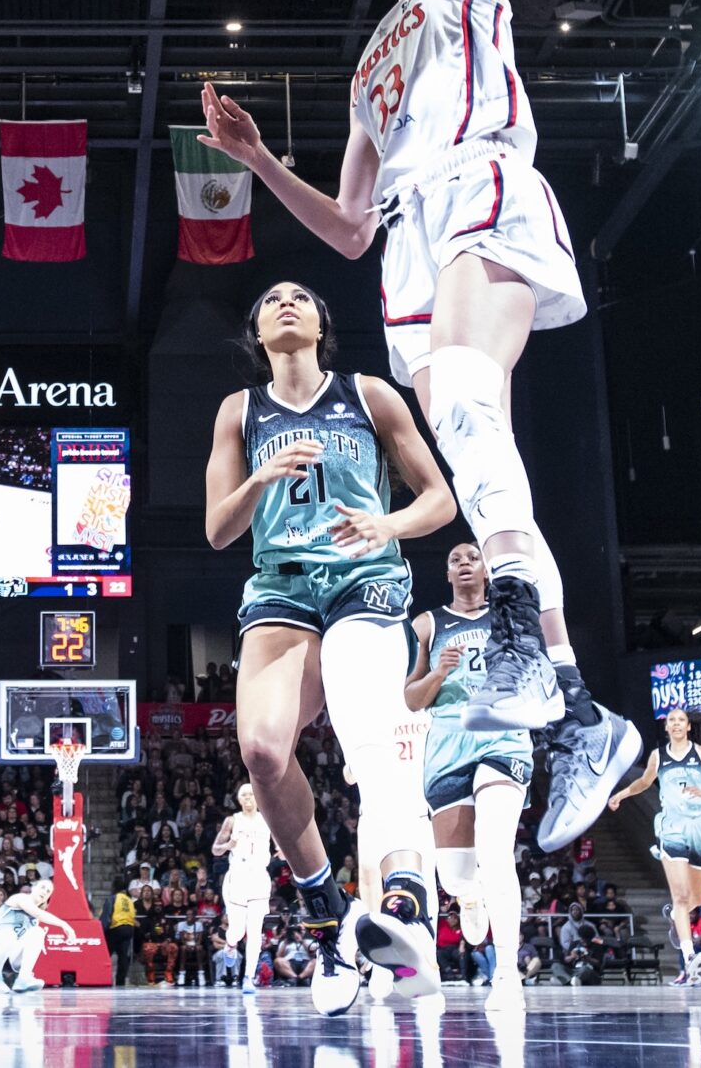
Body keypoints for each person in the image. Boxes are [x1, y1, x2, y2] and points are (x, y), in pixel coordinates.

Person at [194, 0, 639, 860]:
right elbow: (339, 228)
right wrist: (259, 158)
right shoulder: (368, 69)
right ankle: (561, 692)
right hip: (399, 239)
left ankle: (537, 659)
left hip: (483, 184)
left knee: (460, 392)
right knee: (457, 413)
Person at [202, 280, 460, 1014]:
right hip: (281, 586)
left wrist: (389, 525)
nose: (286, 301)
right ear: (256, 327)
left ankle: (407, 907)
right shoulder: (239, 410)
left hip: (363, 578)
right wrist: (259, 476)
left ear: (321, 323)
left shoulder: (369, 393)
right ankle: (329, 919)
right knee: (261, 752)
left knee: (370, 728)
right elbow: (219, 529)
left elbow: (439, 496)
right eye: (272, 297)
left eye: (302, 296)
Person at [406, 540, 533, 1000]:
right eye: (454, 558)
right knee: (455, 875)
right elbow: (411, 699)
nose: (463, 563)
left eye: (472, 557)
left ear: (486, 567)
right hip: (448, 742)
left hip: (503, 737)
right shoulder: (427, 623)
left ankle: (507, 974)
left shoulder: (511, 619)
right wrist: (438, 673)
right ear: (447, 573)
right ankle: (470, 895)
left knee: (497, 851)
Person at [606, 706, 701, 984]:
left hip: (699, 827)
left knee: (694, 900)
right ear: (666, 728)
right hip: (671, 827)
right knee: (680, 896)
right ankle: (690, 956)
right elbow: (644, 782)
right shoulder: (658, 756)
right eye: (671, 721)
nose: (676, 724)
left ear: (689, 727)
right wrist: (620, 794)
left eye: (681, 720)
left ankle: (674, 918)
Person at [211, 783, 273, 989]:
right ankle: (230, 945)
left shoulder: (268, 819)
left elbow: (282, 843)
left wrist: (284, 852)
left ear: (257, 797)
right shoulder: (232, 820)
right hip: (237, 875)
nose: (248, 798)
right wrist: (228, 846)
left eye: (251, 794)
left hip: (259, 877)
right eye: (244, 795)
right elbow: (215, 849)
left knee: (255, 930)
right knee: (237, 930)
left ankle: (248, 978)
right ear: (239, 799)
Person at [0, 877, 57, 993]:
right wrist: (64, 925)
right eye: (42, 888)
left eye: (48, 891)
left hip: (10, 956)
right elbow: (38, 914)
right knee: (10, 933)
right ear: (33, 889)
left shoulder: (35, 918)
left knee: (38, 932)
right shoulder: (18, 899)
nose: (44, 892)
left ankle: (23, 978)